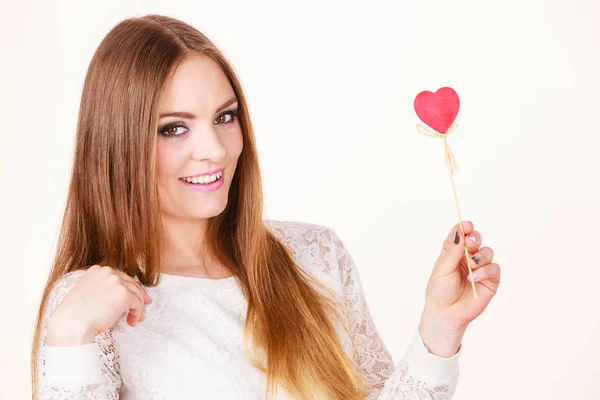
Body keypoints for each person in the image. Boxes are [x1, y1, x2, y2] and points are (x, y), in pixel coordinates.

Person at [30, 14, 501, 400]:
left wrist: (440, 327)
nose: (214, 149)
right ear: (118, 144)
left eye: (224, 117)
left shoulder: (314, 254)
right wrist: (70, 334)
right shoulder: (89, 304)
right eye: (174, 128)